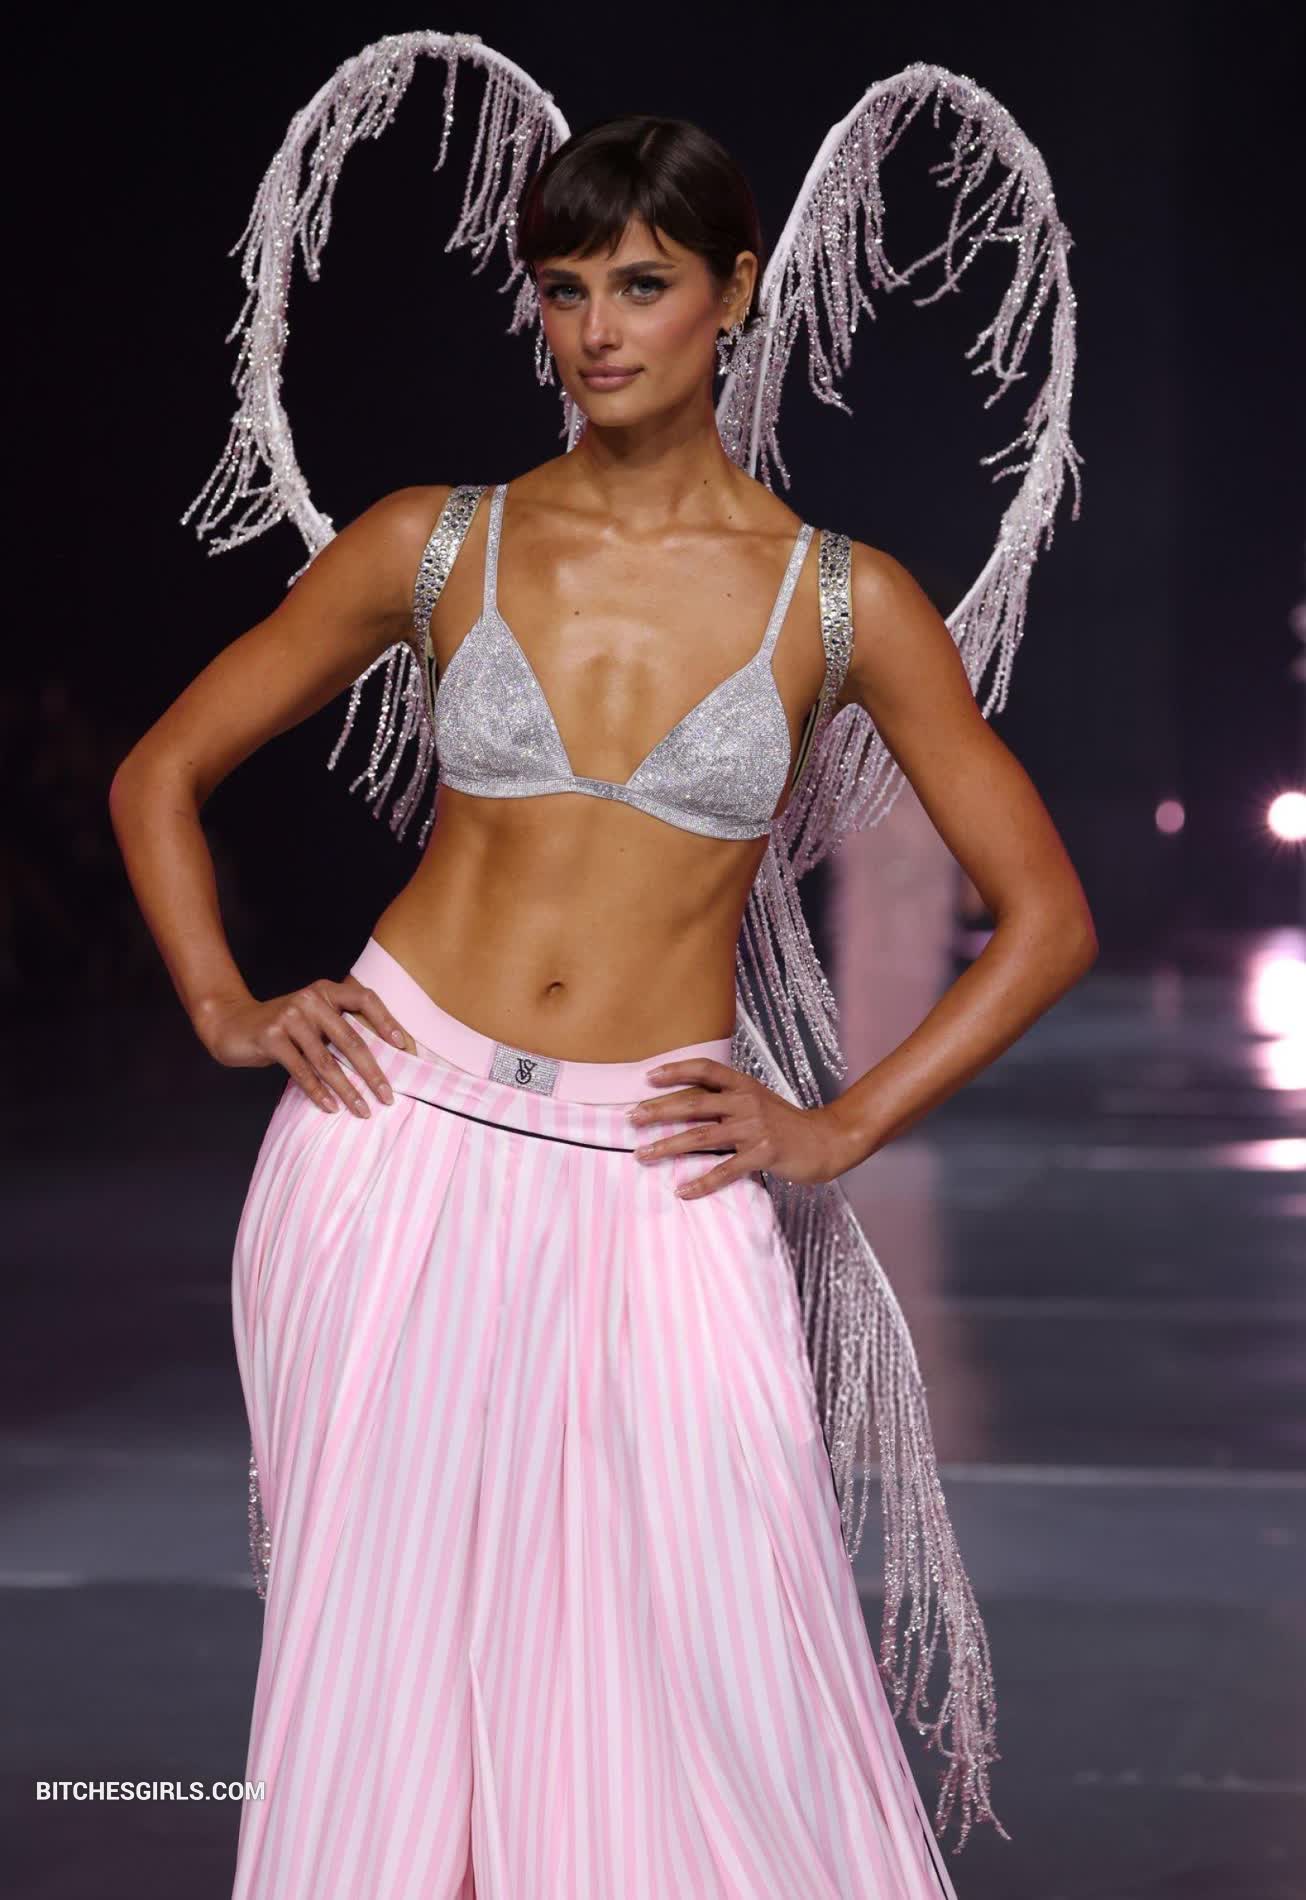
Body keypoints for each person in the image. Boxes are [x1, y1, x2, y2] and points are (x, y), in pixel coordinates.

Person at [109, 72, 1094, 1900]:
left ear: (732, 292)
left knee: (721, 1664)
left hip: (661, 1165)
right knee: (387, 1673)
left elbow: (1044, 916)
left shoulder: (839, 599)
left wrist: (837, 1127)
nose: (595, 330)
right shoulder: (434, 540)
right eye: (562, 290)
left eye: (639, 284)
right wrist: (226, 1007)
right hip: (387, 1134)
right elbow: (159, 770)